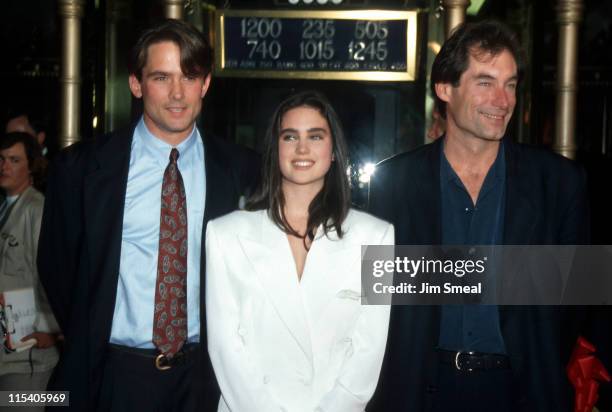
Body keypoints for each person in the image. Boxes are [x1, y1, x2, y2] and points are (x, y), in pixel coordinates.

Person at [367, 21, 589, 412]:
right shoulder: (394, 182)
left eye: (511, 84)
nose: (503, 100)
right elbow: (380, 289)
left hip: (522, 392)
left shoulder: (559, 182)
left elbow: (576, 301)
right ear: (445, 89)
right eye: (485, 82)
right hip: (419, 390)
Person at [37, 19, 258, 411]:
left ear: (205, 84)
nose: (177, 93)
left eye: (189, 77)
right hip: (112, 376)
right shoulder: (81, 170)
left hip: (208, 379)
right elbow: (58, 268)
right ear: (137, 84)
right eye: (161, 77)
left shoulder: (243, 170)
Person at [206, 91, 393, 412]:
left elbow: (369, 350)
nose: (302, 149)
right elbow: (226, 349)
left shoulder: (376, 237)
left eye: (315, 136)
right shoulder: (224, 234)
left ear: (333, 150)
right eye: (290, 136)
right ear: (275, 148)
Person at [0, 132, 60, 411]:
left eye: (14, 160)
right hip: (8, 350)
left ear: (31, 166)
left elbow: (52, 272)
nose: (5, 166)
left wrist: (51, 330)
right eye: (1, 159)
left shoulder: (37, 209)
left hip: (29, 355)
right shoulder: (5, 206)